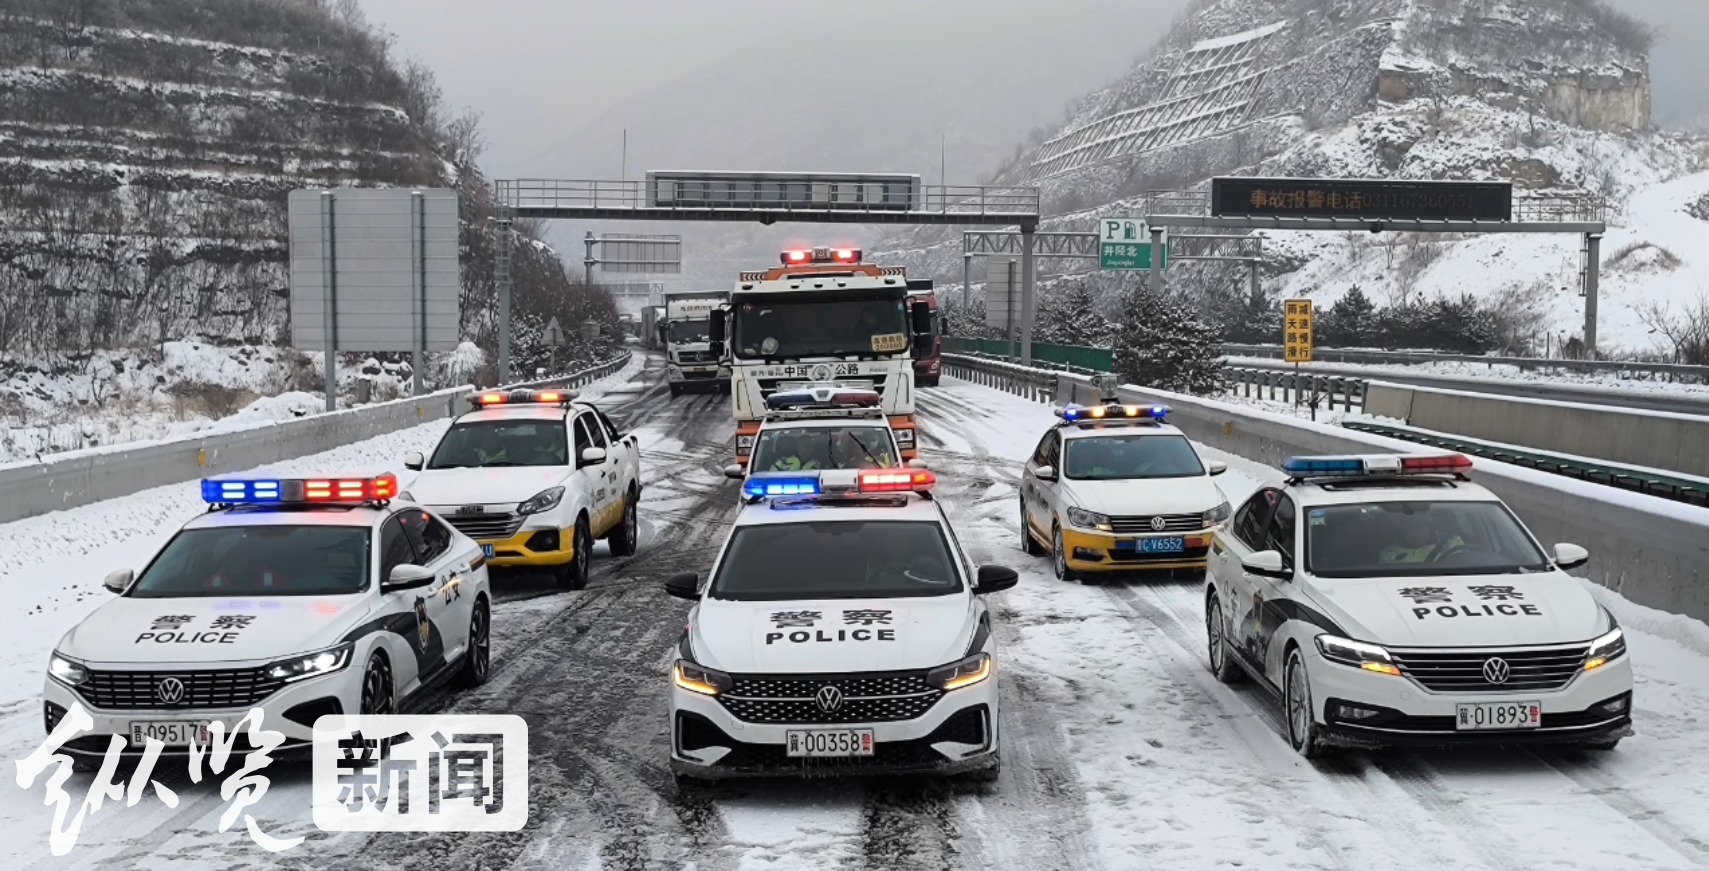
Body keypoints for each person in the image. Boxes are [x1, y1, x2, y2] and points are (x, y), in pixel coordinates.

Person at [1379, 516, 1465, 563]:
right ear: (1401, 529)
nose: (1416, 532)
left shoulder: (1454, 543)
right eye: (1411, 527)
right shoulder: (1389, 554)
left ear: (1430, 528)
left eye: (1421, 526)